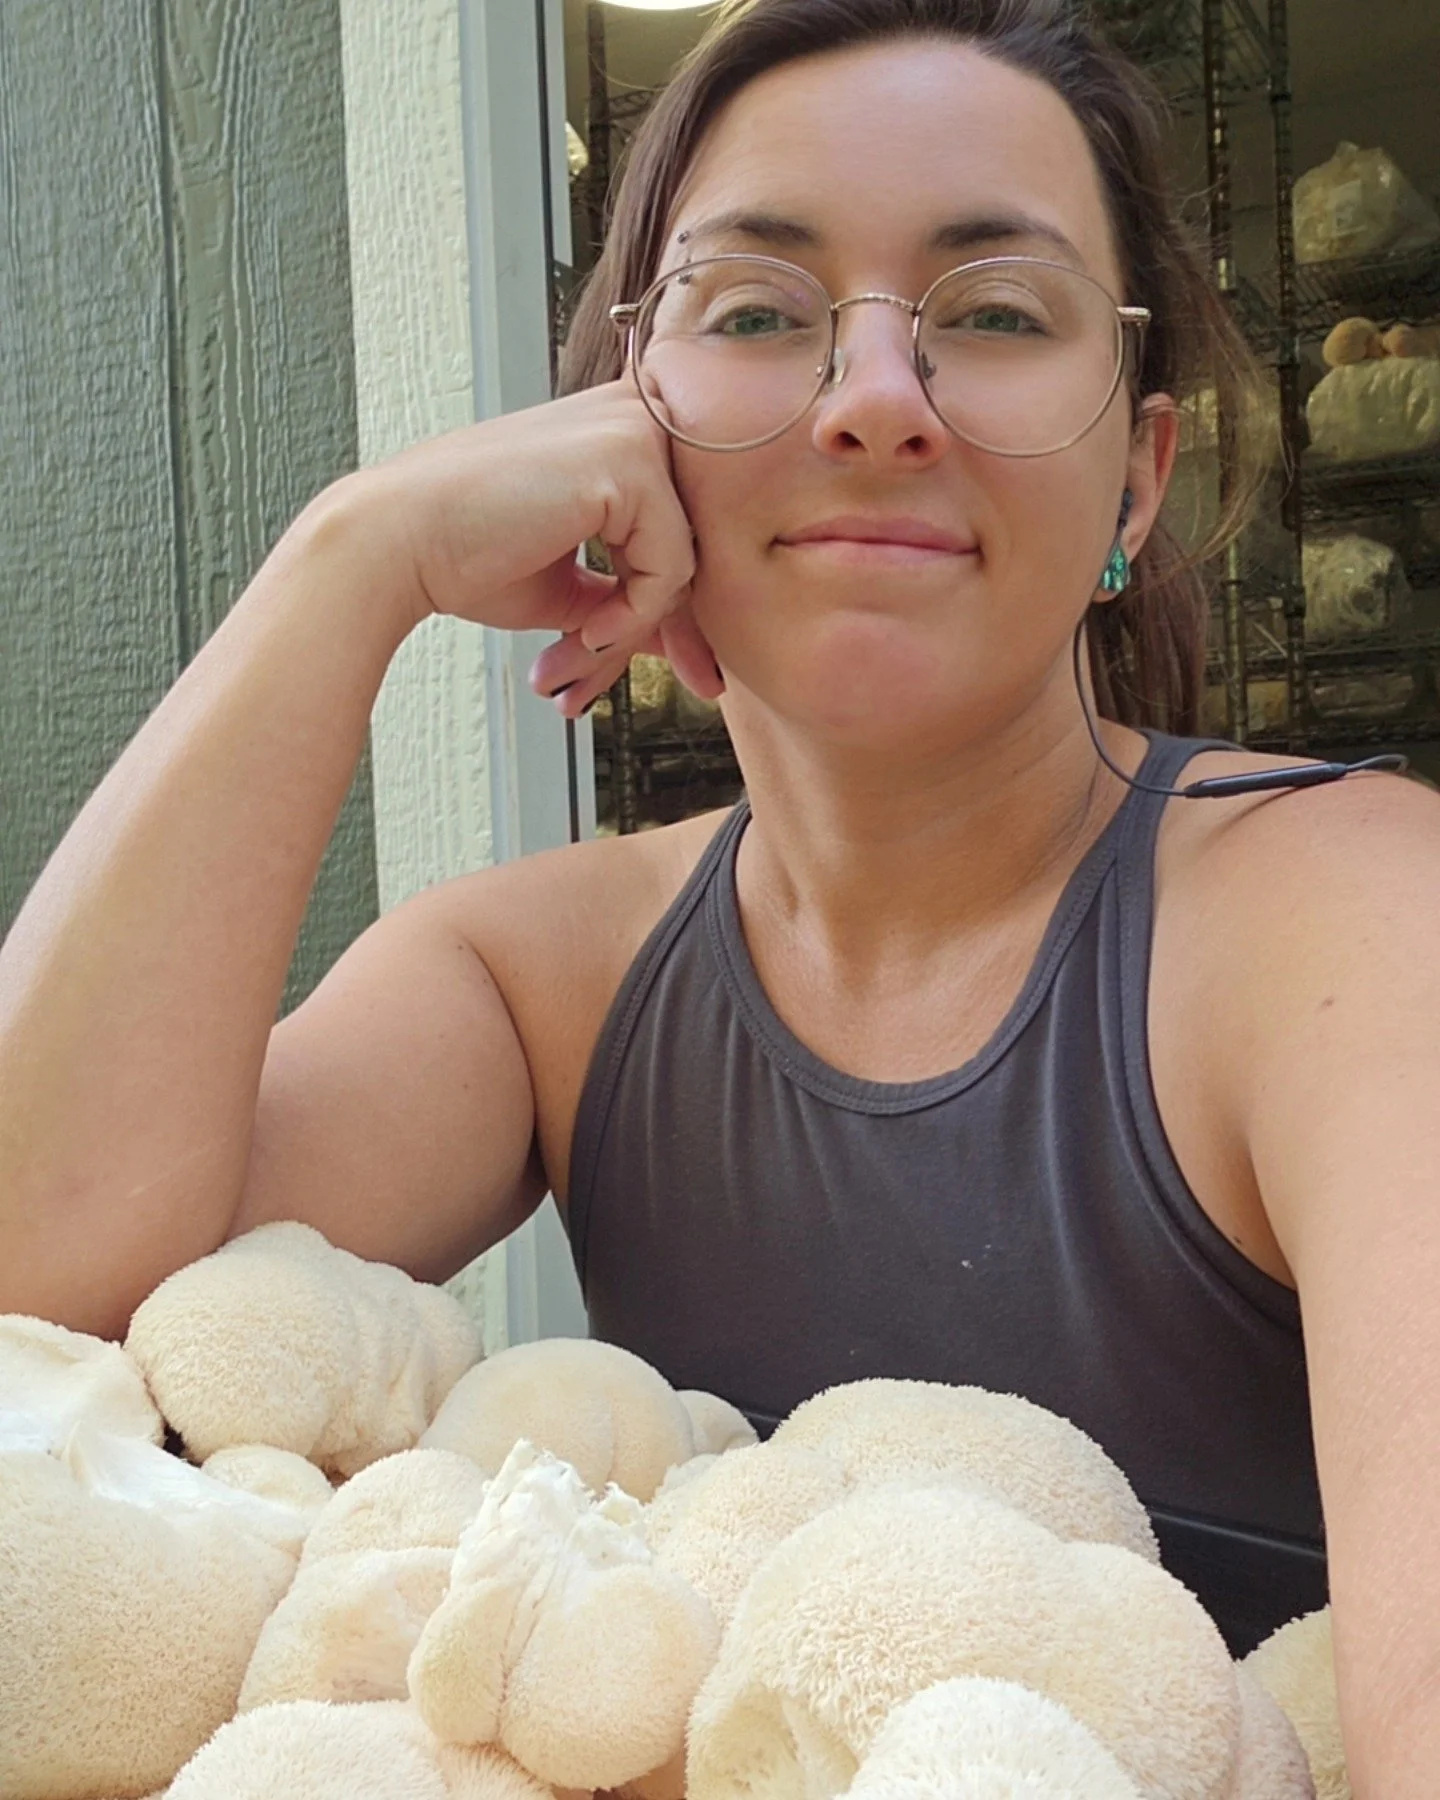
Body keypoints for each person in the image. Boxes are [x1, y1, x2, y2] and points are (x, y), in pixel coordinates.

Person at [1, 0, 1437, 1783]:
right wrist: (345, 563)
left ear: (1137, 478)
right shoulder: (542, 977)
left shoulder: (1348, 920)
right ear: (622, 429)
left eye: (992, 315)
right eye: (759, 313)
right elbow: (35, 1303)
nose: (875, 401)